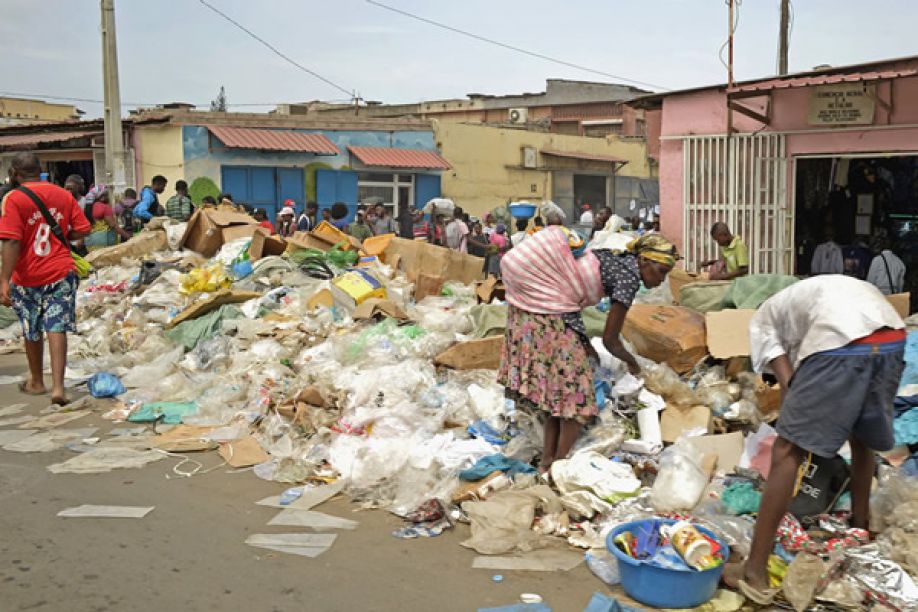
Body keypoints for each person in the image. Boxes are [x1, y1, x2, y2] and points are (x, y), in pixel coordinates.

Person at [726, 276, 905, 604]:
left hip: (842, 341)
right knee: (861, 436)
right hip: (891, 337)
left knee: (786, 449)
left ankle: (754, 570)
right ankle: (860, 528)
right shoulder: (804, 298)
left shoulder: (764, 319)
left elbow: (790, 382)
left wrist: (795, 416)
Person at [499, 231, 677, 473]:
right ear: (644, 260)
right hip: (551, 315)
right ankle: (558, 468)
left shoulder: (617, 259)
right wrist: (633, 363)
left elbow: (574, 299)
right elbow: (611, 340)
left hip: (545, 312)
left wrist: (585, 345)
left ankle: (547, 463)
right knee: (578, 398)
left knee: (557, 396)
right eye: (661, 271)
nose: (661, 280)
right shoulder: (630, 278)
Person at [0, 152, 91, 406]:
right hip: (60, 271)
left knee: (32, 328)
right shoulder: (63, 194)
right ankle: (58, 388)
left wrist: (4, 280)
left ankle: (37, 381)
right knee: (56, 326)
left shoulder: (13, 199)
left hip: (27, 276)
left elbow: (11, 240)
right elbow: (84, 229)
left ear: (15, 174)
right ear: (39, 170)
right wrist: (61, 235)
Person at [82, 185, 132, 250]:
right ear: (102, 197)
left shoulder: (86, 209)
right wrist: (128, 237)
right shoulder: (104, 207)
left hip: (89, 242)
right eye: (108, 195)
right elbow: (113, 225)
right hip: (104, 241)